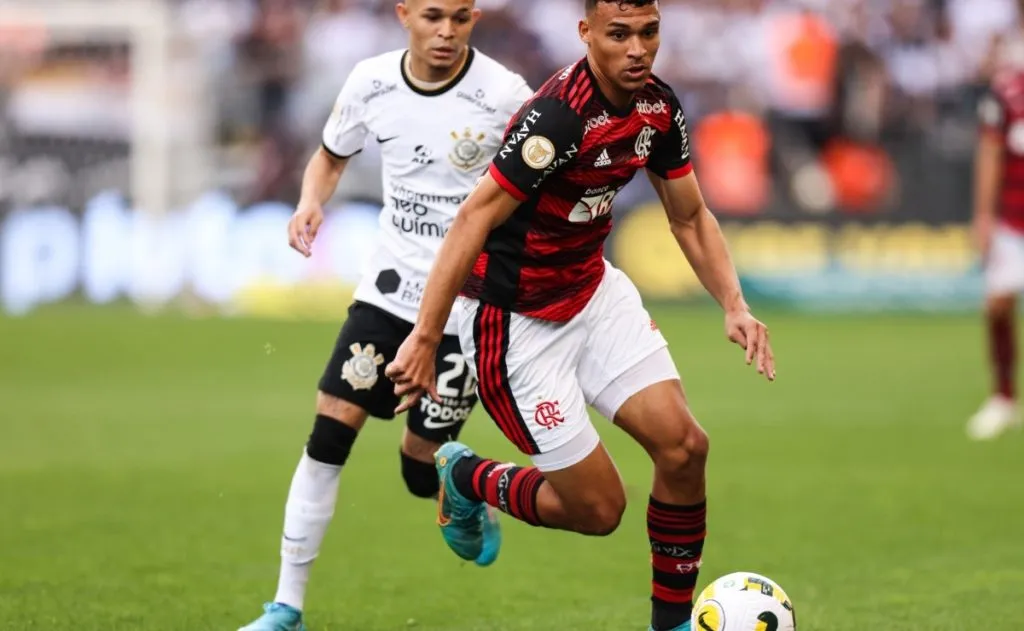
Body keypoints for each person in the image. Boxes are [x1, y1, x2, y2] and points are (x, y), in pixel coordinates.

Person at [384, 1, 776, 630]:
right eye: (619, 34)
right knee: (598, 510)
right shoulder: (558, 119)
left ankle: (671, 625)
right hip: (516, 325)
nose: (637, 49)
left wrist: (734, 303)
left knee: (684, 448)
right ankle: (466, 474)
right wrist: (426, 337)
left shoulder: (658, 107)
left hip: (592, 293)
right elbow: (474, 217)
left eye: (649, 32)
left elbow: (689, 214)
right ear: (586, 33)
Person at [238, 1, 532, 629]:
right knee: (329, 435)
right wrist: (310, 201)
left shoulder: (506, 94)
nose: (447, 32)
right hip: (390, 291)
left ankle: (465, 486)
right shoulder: (371, 80)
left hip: (466, 305)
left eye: (460, 17)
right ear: (403, 14)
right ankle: (285, 606)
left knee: (417, 468)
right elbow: (330, 153)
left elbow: (543, 178)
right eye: (432, 16)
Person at [967, 62, 1024, 440]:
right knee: (998, 303)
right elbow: (989, 151)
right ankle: (1003, 398)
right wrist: (984, 215)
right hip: (1013, 219)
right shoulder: (1008, 89)